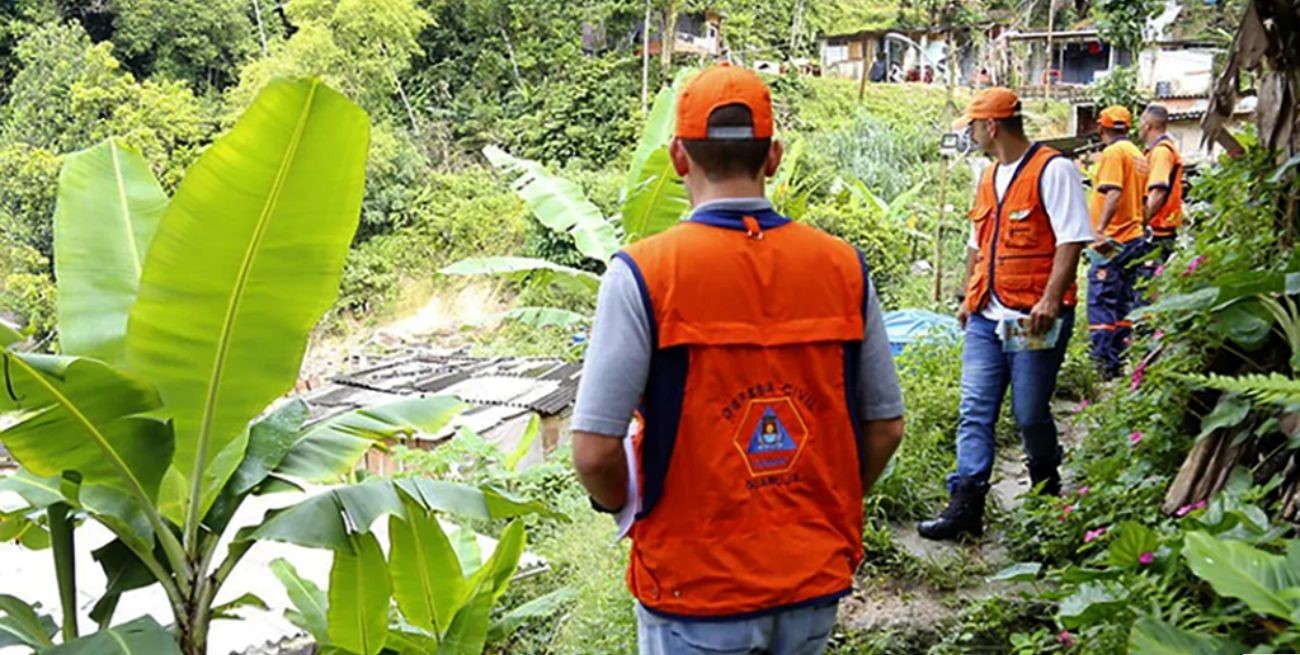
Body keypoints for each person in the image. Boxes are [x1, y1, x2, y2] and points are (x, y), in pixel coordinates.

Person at [570, 64, 905, 655]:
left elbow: (595, 452)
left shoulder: (645, 273)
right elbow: (886, 427)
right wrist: (826, 504)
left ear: (678, 158)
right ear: (773, 157)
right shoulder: (843, 267)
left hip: (694, 589)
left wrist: (620, 503)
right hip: (811, 580)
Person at [918, 88, 1091, 541]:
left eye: (973, 126)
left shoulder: (1053, 169)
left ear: (991, 126)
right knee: (974, 409)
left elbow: (1072, 239)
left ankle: (1046, 488)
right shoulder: (987, 176)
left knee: (1029, 412)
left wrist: (1050, 300)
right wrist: (966, 296)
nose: (971, 135)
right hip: (985, 316)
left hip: (1030, 318)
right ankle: (966, 504)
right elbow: (976, 243)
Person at [1087, 106, 1150, 378]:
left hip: (1113, 240)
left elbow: (1113, 192)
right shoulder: (1138, 155)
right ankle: (1119, 361)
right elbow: (1145, 201)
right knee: (1123, 303)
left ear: (1101, 128)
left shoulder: (1113, 153)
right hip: (1134, 237)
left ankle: (1102, 364)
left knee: (1102, 301)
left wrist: (1100, 230)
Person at [1139, 104, 1184, 261]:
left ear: (1147, 125)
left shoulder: (1161, 152)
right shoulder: (1155, 151)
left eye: (1141, 122)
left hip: (1157, 232)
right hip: (1157, 229)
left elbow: (1158, 192)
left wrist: (1141, 223)